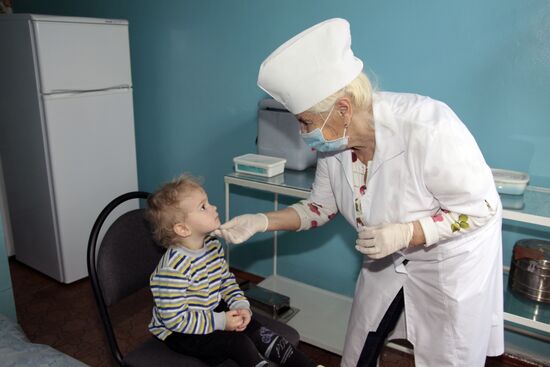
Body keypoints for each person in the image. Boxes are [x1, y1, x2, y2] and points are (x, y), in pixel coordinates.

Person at [213, 18, 503, 367]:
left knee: (448, 355)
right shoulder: (334, 146)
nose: (303, 132)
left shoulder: (429, 127)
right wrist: (261, 221)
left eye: (305, 121)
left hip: (449, 259)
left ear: (344, 109)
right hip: (387, 258)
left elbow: (482, 208)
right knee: (361, 344)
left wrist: (408, 232)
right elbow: (320, 208)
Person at [146, 173, 323, 367]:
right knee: (237, 342)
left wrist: (239, 304)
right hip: (181, 330)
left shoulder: (212, 246)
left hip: (211, 309)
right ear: (183, 229)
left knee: (257, 331)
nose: (213, 207)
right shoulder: (172, 270)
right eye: (203, 207)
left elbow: (226, 281)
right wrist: (221, 322)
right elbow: (176, 320)